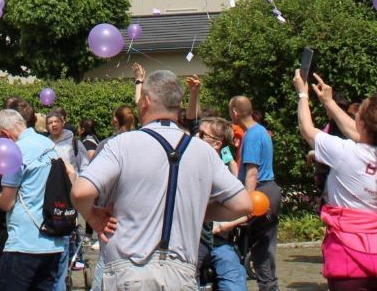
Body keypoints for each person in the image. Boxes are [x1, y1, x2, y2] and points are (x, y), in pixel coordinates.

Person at [74, 70, 252, 289]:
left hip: (130, 271)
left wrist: (93, 217)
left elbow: (81, 192)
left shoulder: (122, 144)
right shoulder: (203, 151)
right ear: (177, 106)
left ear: (146, 101)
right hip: (181, 275)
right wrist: (200, 211)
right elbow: (242, 204)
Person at [297, 71, 377, 291]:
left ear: (362, 123)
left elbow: (307, 130)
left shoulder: (345, 152)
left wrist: (302, 94)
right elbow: (360, 134)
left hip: (349, 255)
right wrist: (329, 102)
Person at [0, 107, 66, 291]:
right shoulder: (48, 144)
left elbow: (7, 203)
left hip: (23, 242)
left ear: (5, 134)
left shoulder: (15, 152)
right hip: (52, 240)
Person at [231, 94, 280, 291]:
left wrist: (246, 203)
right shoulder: (260, 131)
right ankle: (271, 286)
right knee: (267, 245)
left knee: (260, 247)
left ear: (235, 112)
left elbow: (252, 173)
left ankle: (268, 287)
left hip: (261, 192)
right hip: (270, 189)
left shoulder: (251, 136)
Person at [197, 118, 248, 291]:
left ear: (217, 144)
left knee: (234, 277)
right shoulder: (188, 165)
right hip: (193, 241)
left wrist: (222, 226)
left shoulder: (223, 173)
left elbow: (245, 210)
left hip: (218, 241)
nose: (196, 136)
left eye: (202, 134)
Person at [45, 107, 83, 286]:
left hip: (71, 189)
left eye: (55, 122)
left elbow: (84, 165)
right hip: (53, 191)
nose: (53, 125)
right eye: (49, 123)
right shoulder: (45, 143)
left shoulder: (73, 142)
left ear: (62, 123)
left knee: (71, 224)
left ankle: (74, 258)